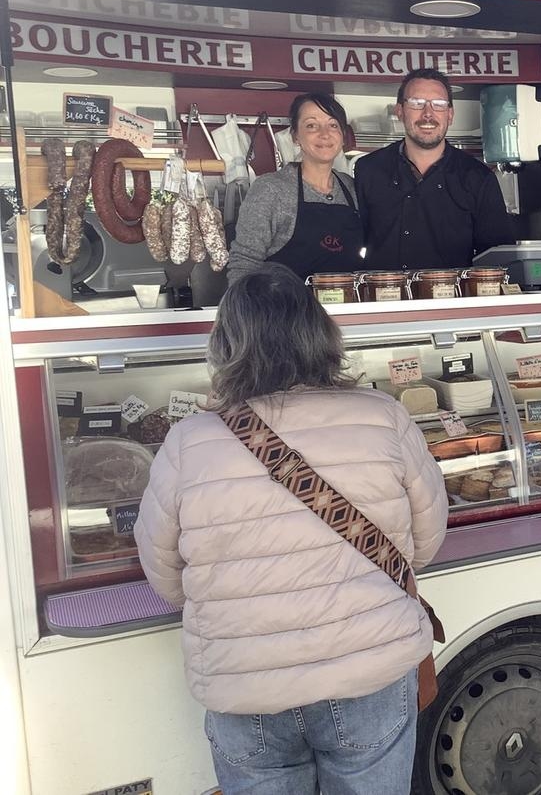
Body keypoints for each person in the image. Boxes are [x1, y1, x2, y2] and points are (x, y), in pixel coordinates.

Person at [134, 262, 448, 795]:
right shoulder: (384, 416)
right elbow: (425, 541)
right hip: (369, 672)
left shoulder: (188, 441)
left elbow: (166, 577)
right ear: (321, 334)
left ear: (227, 345)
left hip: (246, 687)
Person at [355, 67, 515, 270]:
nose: (428, 114)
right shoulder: (368, 169)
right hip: (383, 298)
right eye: (417, 103)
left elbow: (496, 258)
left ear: (450, 114)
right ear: (400, 111)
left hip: (455, 299)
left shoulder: (477, 177)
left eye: (438, 104)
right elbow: (351, 245)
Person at [226, 93, 364, 283]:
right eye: (311, 125)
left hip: (347, 309)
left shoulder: (353, 188)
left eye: (333, 125)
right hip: (286, 309)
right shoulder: (271, 189)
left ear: (342, 137)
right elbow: (244, 263)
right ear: (295, 137)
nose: (324, 133)